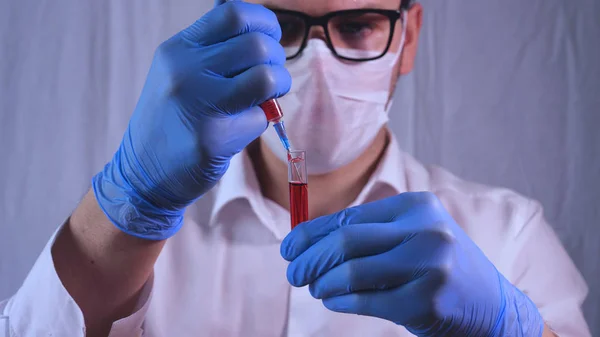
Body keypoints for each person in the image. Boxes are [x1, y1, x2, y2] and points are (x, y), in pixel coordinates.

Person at [0, 0, 590, 336]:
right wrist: (130, 200)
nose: (317, 65)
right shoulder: (144, 235)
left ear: (408, 36)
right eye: (281, 28)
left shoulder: (506, 237)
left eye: (357, 26)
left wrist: (510, 332)